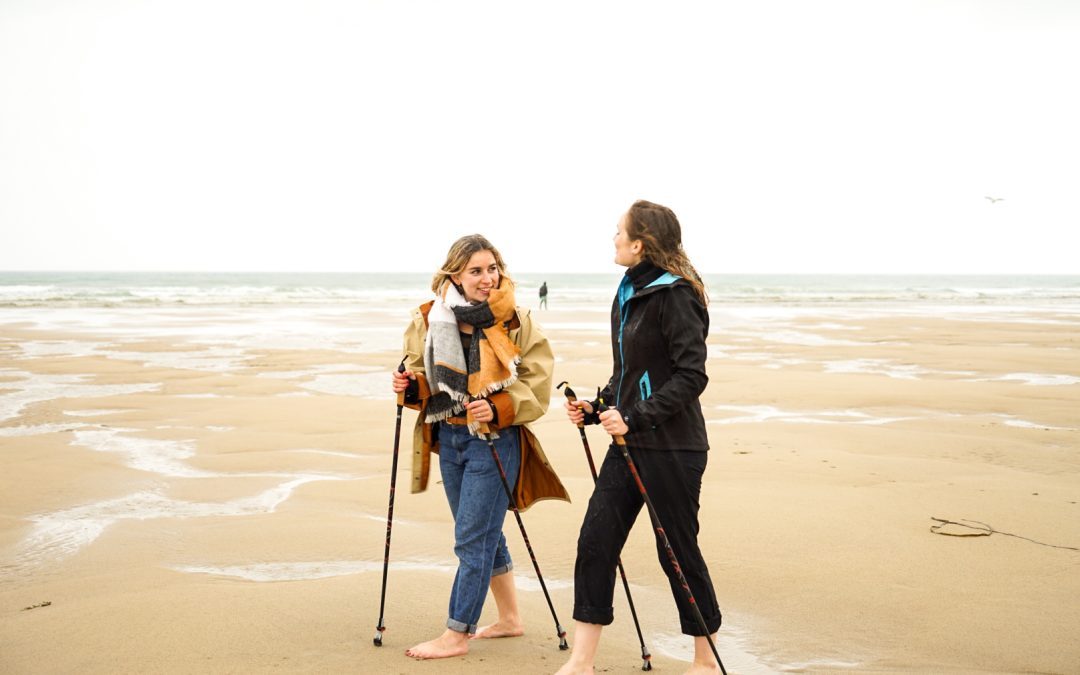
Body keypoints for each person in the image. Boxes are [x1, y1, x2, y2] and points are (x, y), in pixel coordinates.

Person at [556, 201, 722, 675]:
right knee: (596, 541)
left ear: (640, 243)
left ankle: (705, 661)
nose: (613, 239)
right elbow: (629, 374)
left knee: (676, 550)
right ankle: (581, 661)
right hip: (629, 444)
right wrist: (597, 407)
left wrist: (636, 417)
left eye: (618, 233)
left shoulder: (677, 295)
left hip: (674, 448)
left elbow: (691, 376)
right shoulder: (630, 289)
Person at [390, 234, 569, 660]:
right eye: (476, 271)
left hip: (495, 439)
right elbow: (420, 374)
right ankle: (510, 620)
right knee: (483, 532)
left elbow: (537, 383)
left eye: (493, 269)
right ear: (454, 275)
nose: (487, 279)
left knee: (472, 537)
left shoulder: (516, 321)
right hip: (449, 437)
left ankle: (456, 633)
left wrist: (499, 406)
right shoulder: (429, 318)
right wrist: (407, 385)